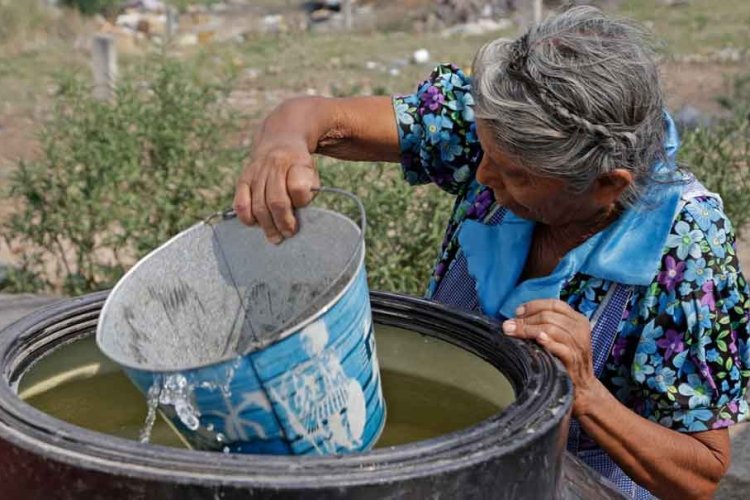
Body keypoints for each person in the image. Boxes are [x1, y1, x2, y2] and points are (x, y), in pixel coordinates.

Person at [233, 6, 749, 499]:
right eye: (486, 152)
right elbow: (317, 117)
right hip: (446, 456)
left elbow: (699, 475)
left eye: (515, 175)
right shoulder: (501, 123)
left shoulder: (685, 252)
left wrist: (588, 395)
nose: (481, 176)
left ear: (606, 186)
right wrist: (282, 145)